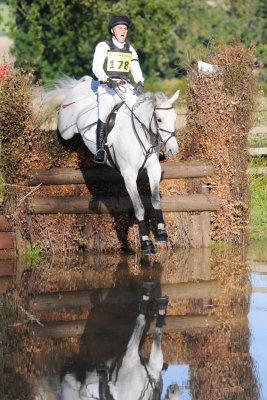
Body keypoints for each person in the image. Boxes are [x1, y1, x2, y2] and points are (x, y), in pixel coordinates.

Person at [92, 15, 145, 163]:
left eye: (125, 29)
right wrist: (106, 79)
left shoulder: (130, 48)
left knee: (141, 107)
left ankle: (150, 145)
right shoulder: (103, 46)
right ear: (112, 30)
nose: (123, 31)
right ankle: (100, 149)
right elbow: (96, 67)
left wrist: (140, 82)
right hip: (107, 86)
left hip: (125, 86)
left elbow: (135, 68)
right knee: (104, 113)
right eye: (120, 28)